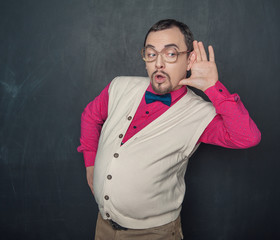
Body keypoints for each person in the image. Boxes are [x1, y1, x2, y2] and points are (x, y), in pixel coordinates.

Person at [78, 19, 261, 240]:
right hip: (103, 226)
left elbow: (247, 137)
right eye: (151, 53)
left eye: (171, 54)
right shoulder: (120, 86)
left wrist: (213, 87)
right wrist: (90, 163)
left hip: (154, 234)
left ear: (189, 59)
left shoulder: (199, 114)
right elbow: (90, 115)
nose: (159, 64)